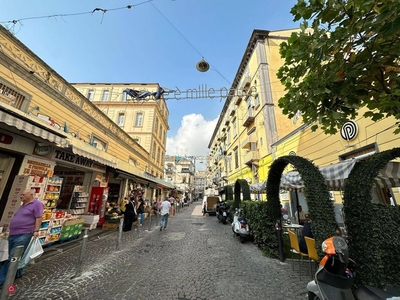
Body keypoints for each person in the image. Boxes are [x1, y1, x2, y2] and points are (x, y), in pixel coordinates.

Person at [0, 189, 44, 286]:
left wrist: (36, 230)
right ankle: (17, 273)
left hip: (24, 233)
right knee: (14, 256)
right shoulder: (23, 205)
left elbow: (39, 217)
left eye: (23, 194)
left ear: (31, 195)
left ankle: (2, 279)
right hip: (14, 233)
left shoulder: (37, 203)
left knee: (13, 256)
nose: (21, 196)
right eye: (20, 195)